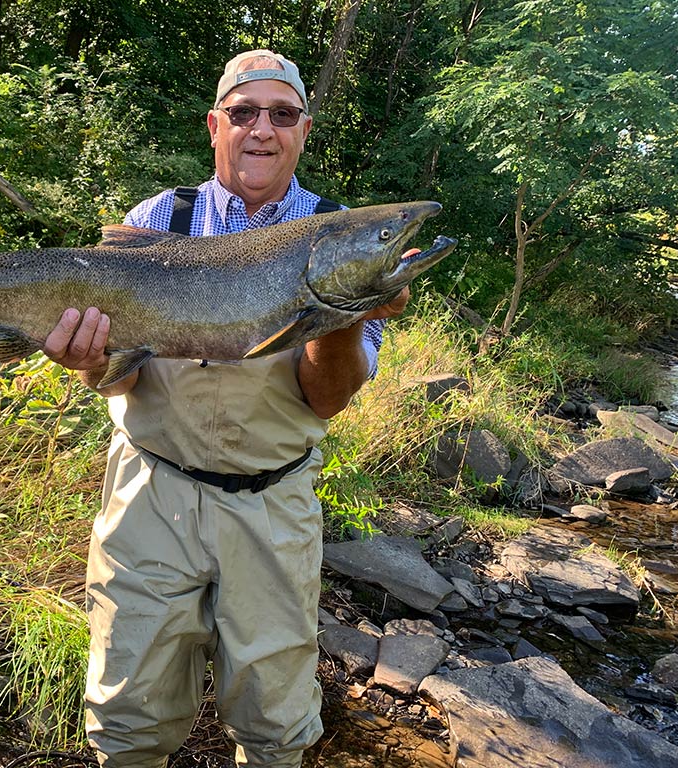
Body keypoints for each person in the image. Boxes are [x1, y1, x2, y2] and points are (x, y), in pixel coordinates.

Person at [41, 50, 409, 768]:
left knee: (276, 728)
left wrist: (337, 315)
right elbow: (117, 382)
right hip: (150, 493)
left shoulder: (339, 232)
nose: (261, 129)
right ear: (216, 125)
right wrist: (89, 362)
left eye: (281, 114)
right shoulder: (158, 219)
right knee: (127, 719)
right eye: (243, 113)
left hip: (273, 504)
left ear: (305, 128)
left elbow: (328, 398)